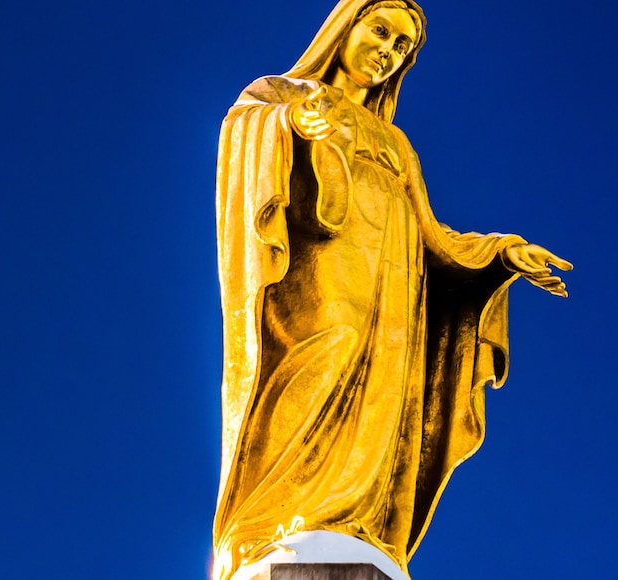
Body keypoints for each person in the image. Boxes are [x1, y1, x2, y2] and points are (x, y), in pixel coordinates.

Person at [212, 1, 571, 578]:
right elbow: (242, 130)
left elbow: (433, 237)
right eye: (380, 31)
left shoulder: (396, 143)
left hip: (393, 285)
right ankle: (283, 517)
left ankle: (356, 521)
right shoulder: (281, 93)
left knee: (383, 392)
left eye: (402, 47)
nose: (387, 50)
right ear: (343, 29)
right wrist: (291, 127)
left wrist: (502, 251)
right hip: (318, 269)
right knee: (327, 352)